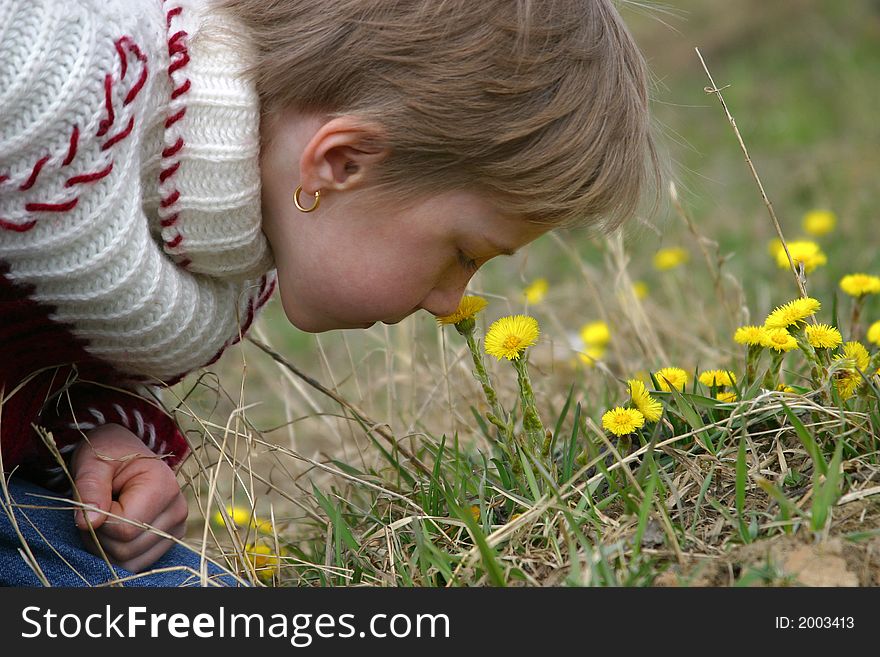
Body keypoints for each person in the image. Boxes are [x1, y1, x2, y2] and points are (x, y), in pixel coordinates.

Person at [0, 0, 659, 585]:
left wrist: (93, 433)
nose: (450, 299)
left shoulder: (226, 230)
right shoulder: (50, 90)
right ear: (342, 162)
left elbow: (33, 355)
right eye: (462, 254)